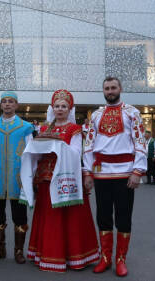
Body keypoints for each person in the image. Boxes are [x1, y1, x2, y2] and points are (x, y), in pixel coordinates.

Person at [27, 89, 99, 272]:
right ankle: (49, 254)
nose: (60, 109)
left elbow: (76, 153)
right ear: (53, 108)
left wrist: (56, 145)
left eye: (64, 106)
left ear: (70, 109)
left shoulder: (74, 129)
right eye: (57, 106)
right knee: (50, 217)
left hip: (67, 178)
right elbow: (37, 154)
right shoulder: (44, 129)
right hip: (45, 179)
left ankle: (72, 256)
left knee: (69, 218)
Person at [83, 77, 147, 277]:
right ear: (103, 91)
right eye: (107, 88)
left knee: (123, 217)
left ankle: (121, 260)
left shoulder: (132, 113)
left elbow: (140, 142)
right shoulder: (96, 115)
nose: (110, 91)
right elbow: (89, 145)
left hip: (124, 173)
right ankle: (105, 258)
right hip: (101, 174)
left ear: (120, 88)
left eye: (113, 87)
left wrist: (138, 171)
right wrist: (87, 172)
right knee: (103, 217)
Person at [0, 91, 33, 264]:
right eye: (4, 101)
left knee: (20, 216)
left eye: (11, 101)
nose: (8, 104)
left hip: (18, 179)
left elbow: (30, 155)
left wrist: (29, 178)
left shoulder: (25, 127)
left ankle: (18, 251)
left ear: (16, 105)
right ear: (1, 105)